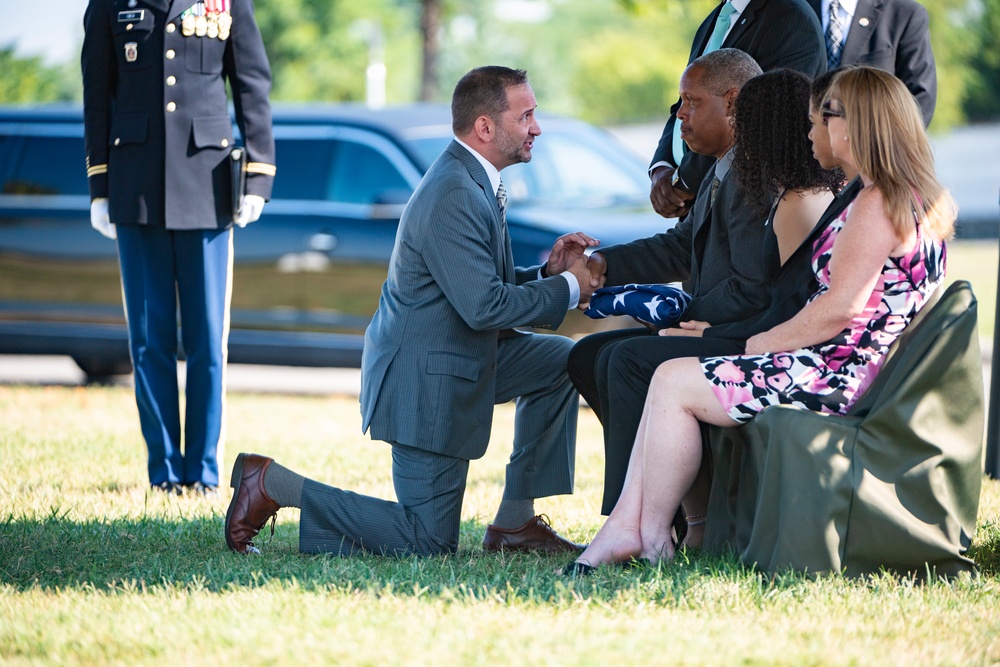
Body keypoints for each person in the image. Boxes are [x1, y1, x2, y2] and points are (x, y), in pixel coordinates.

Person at [565, 66, 956, 573]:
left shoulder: (875, 203)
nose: (810, 131)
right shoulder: (900, 195)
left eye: (817, 121)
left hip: (833, 375)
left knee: (669, 379)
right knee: (665, 375)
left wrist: (757, 344)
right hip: (846, 367)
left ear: (849, 125)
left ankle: (645, 532)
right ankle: (639, 529)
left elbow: (839, 309)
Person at [224, 66, 600, 558]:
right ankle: (272, 484)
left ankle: (514, 525)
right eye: (526, 115)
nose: (537, 127)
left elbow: (482, 287)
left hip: (457, 359)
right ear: (485, 128)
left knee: (559, 360)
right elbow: (484, 306)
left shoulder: (474, 177)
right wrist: (571, 288)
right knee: (427, 541)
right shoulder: (455, 191)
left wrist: (548, 275)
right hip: (426, 383)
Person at [81, 0, 276, 494]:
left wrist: (257, 176)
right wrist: (99, 186)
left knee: (208, 340)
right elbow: (97, 94)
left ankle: (203, 472)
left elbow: (251, 85)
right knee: (149, 341)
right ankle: (164, 472)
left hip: (207, 187)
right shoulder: (109, 4)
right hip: (136, 187)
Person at [567, 48, 768, 515]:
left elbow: (752, 288)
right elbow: (678, 248)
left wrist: (686, 320)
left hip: (745, 333)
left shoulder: (753, 176)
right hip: (714, 324)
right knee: (588, 354)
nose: (680, 114)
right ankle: (666, 507)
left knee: (629, 359)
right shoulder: (723, 168)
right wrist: (599, 262)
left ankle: (634, 520)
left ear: (733, 102)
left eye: (691, 101)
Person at [649, 0, 827, 220]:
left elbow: (763, 116)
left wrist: (683, 181)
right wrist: (661, 167)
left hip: (745, 208)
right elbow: (685, 100)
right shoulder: (718, 16)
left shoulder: (788, 17)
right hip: (699, 202)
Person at [809, 0, 936, 126]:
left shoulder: (904, 13)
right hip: (803, 141)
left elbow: (920, 97)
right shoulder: (794, 8)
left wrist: (881, 143)